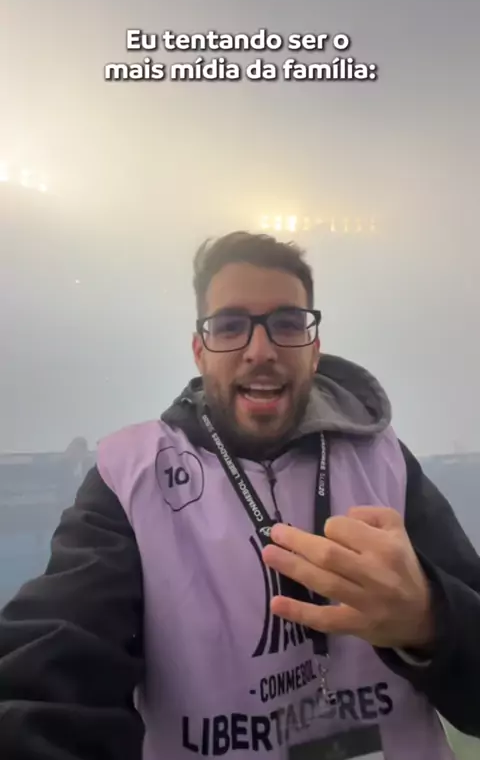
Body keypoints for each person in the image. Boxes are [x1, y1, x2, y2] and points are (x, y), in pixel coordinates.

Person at [0, 231, 479, 759]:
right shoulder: (131, 477)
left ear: (314, 349)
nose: (260, 350)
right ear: (200, 352)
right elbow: (52, 671)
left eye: (287, 324)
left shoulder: (384, 462)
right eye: (230, 326)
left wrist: (431, 622)